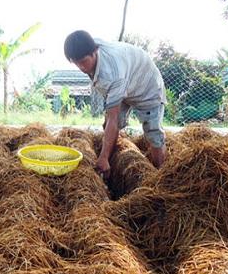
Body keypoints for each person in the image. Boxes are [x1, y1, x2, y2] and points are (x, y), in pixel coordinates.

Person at [64, 30, 167, 177]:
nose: (80, 67)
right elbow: (112, 120)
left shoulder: (112, 74)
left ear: (95, 51)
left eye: (83, 61)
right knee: (109, 126)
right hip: (127, 81)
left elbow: (113, 116)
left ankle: (161, 175)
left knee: (153, 134)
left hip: (147, 87)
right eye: (76, 63)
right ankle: (110, 159)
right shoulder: (90, 47)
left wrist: (103, 157)